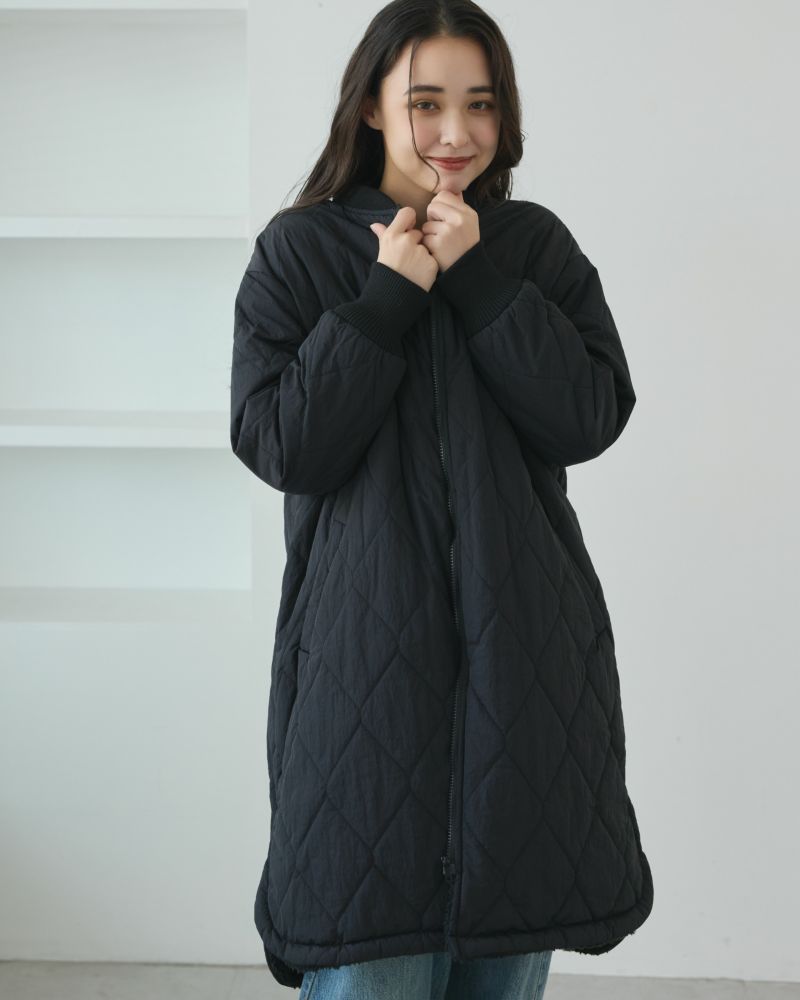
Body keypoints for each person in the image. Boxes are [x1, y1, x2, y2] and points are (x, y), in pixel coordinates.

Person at [230, 1, 654, 997]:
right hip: (360, 684)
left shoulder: (533, 248)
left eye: (480, 103)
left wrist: (480, 283)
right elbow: (284, 444)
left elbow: (587, 418)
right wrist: (384, 302)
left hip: (529, 675)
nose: (456, 131)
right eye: (425, 102)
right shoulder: (298, 254)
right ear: (372, 107)